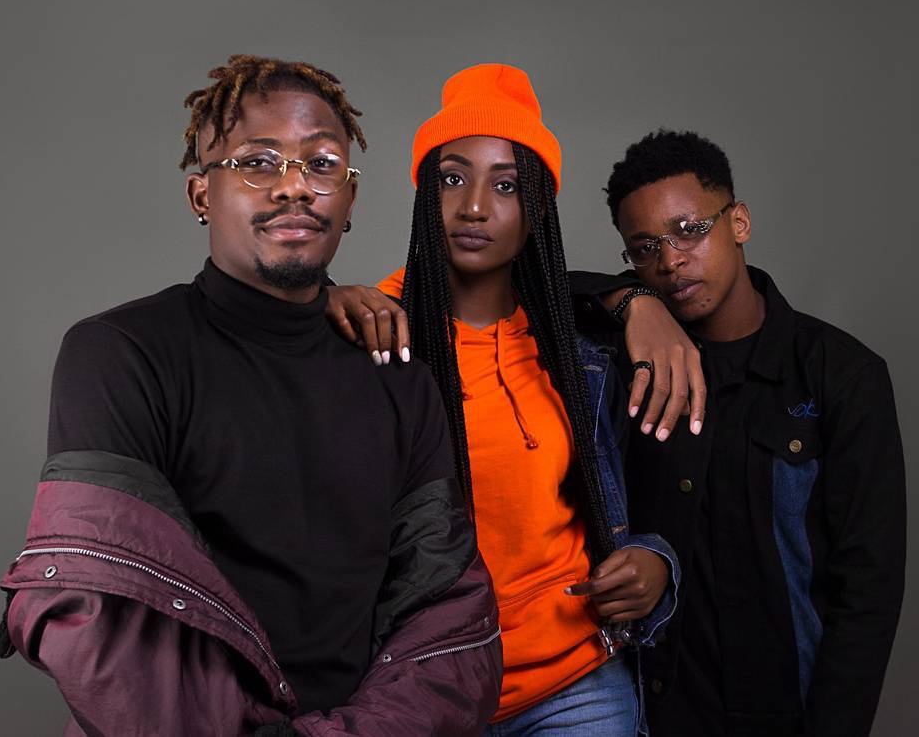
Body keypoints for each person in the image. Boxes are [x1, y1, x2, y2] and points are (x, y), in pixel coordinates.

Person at [0, 55, 502, 736]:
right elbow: (97, 620)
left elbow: (448, 617)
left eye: (322, 164)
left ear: (349, 201)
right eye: (258, 162)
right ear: (201, 196)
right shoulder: (119, 353)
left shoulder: (398, 374)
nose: (295, 186)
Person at [327, 64, 682, 736]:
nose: (473, 207)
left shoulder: (580, 349)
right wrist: (317, 297)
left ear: (537, 206)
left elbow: (642, 503)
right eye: (451, 178)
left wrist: (654, 562)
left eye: (507, 184)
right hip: (424, 694)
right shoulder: (375, 335)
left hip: (575, 686)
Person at [604, 129, 906, 736]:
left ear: (738, 222)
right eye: (645, 248)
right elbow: (541, 288)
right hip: (654, 714)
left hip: (785, 712)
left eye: (690, 230)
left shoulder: (842, 374)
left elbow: (868, 588)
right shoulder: (624, 365)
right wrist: (632, 301)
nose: (670, 260)